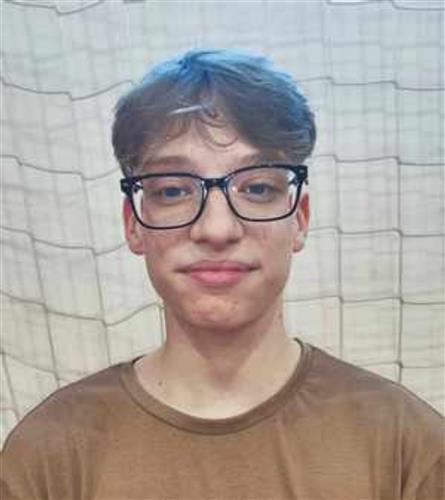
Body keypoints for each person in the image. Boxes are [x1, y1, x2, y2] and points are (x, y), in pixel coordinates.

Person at [1, 49, 443, 500]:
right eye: (173, 190)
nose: (216, 229)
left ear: (300, 218)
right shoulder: (48, 456)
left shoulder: (407, 447)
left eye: (257, 188)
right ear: (133, 223)